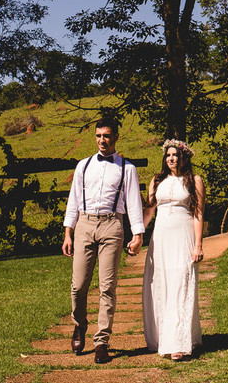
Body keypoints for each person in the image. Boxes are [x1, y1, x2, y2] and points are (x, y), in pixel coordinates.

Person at [62, 117, 145, 364]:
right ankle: (79, 325)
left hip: (112, 225)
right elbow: (73, 200)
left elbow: (133, 203)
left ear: (116, 136)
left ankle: (102, 341)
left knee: (107, 287)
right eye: (98, 136)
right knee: (78, 286)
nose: (102, 141)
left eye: (107, 136)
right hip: (85, 225)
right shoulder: (83, 165)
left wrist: (137, 234)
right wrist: (68, 232)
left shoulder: (126, 168)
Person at [142, 139, 204, 360]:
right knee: (162, 284)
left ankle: (178, 341)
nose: (171, 158)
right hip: (161, 238)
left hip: (183, 237)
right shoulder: (157, 180)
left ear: (183, 157)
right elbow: (149, 211)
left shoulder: (194, 181)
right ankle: (162, 337)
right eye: (168, 155)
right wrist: (137, 235)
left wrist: (198, 245)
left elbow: (198, 214)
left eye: (175, 155)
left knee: (180, 284)